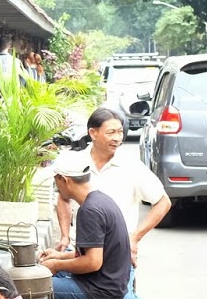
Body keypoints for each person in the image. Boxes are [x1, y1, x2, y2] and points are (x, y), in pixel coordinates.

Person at [41, 149, 167, 299]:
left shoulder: (89, 211)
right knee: (48, 272)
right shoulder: (98, 199)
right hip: (113, 274)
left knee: (38, 288)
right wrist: (59, 256)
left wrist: (56, 265)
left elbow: (92, 262)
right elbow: (92, 252)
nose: (56, 186)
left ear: (65, 180)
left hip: (104, 288)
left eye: (56, 181)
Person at [54, 107, 170, 267]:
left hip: (117, 253)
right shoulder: (76, 163)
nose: (117, 138)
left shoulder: (131, 166)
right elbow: (64, 197)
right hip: (77, 250)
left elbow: (163, 202)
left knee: (115, 290)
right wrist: (65, 236)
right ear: (93, 133)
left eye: (120, 132)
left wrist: (134, 238)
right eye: (111, 133)